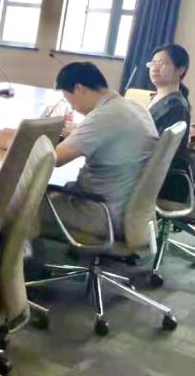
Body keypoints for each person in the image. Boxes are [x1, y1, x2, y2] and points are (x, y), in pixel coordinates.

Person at [43, 62, 158, 240]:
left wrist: (16, 141)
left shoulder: (104, 115)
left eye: (68, 97)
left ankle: (25, 256)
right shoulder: (135, 108)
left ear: (79, 89)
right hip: (127, 212)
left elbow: (53, 159)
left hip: (100, 213)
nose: (71, 107)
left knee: (21, 203)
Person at [146, 44, 191, 201]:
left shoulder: (175, 106)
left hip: (159, 182)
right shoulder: (159, 98)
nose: (155, 68)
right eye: (152, 63)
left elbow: (156, 151)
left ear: (180, 70)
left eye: (162, 63)